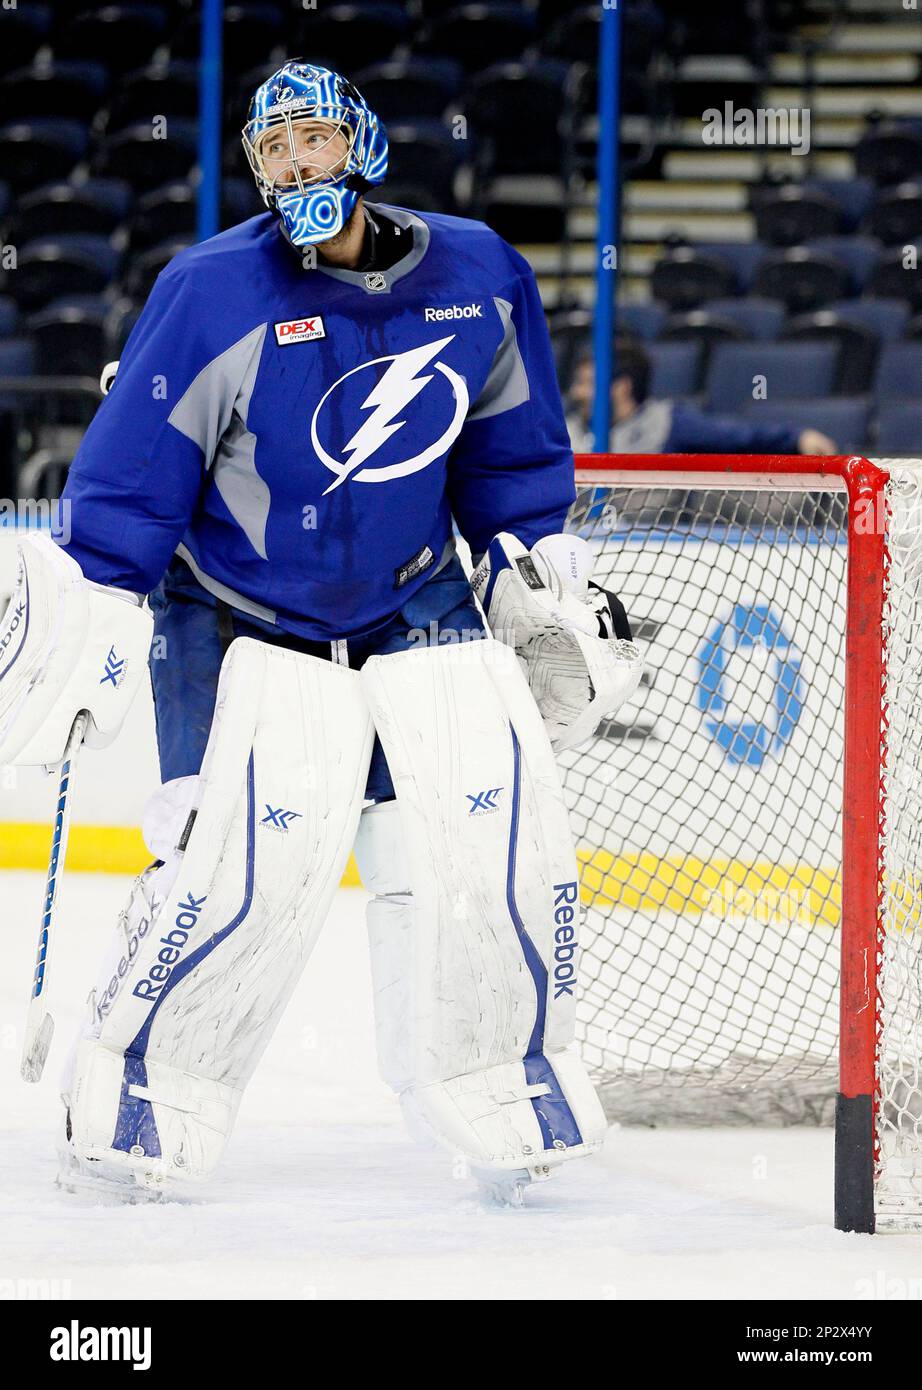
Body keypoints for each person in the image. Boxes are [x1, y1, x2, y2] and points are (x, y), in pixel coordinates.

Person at [0, 62, 642, 1204]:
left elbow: (507, 452)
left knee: (464, 853)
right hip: (233, 611)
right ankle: (138, 1084)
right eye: (272, 150)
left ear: (362, 144)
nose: (294, 165)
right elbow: (137, 478)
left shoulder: (479, 272)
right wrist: (100, 610)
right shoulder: (210, 289)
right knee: (216, 860)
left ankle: (500, 1080)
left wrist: (530, 565)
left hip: (413, 599)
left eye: (310, 139)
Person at [565, 342, 837, 456]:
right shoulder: (565, 429)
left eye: (587, 384)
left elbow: (739, 437)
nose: (577, 393)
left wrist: (797, 437)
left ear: (622, 388)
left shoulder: (667, 423)